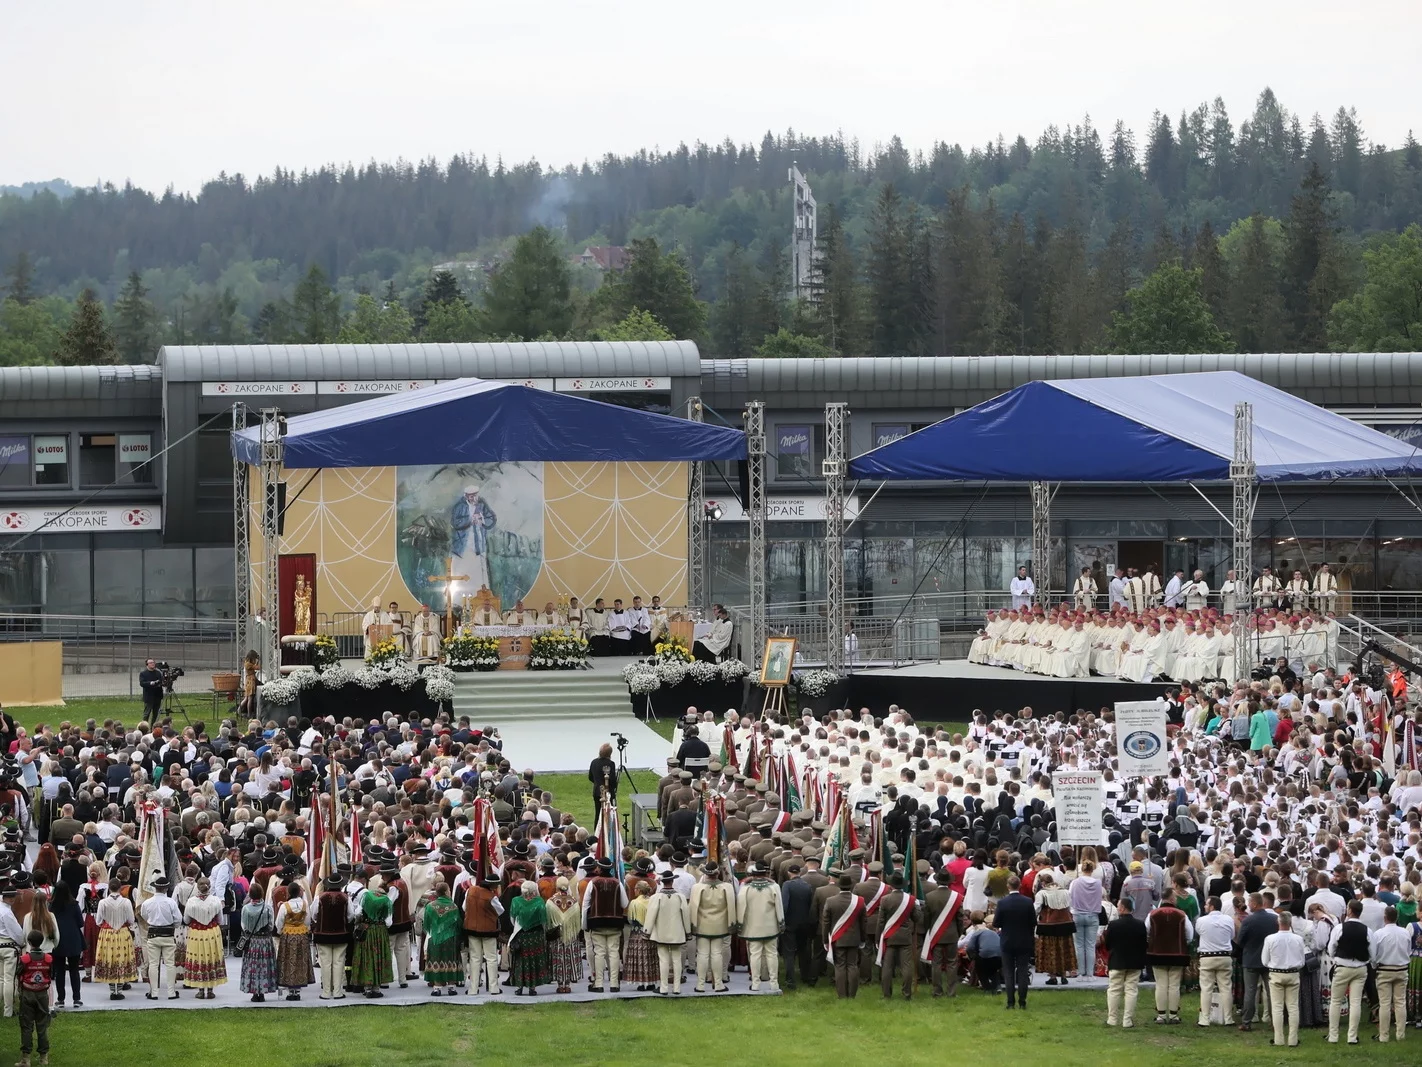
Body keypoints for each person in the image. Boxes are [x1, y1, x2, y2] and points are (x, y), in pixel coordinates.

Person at [1144, 889, 1193, 1025]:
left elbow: (1146, 931)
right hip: (1177, 953)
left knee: (1160, 984)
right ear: (1171, 899)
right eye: (1175, 897)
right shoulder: (1181, 915)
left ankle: (1160, 1015)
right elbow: (1189, 934)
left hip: (1156, 953)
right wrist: (1183, 943)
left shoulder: (1152, 914)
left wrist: (1152, 942)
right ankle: (1173, 1015)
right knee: (1174, 985)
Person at [1327, 897, 1371, 1044]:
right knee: (1356, 1002)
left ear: (1350, 911)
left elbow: (1331, 948)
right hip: (1360, 968)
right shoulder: (1367, 930)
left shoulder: (1339, 928)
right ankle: (1352, 1036)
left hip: (1342, 966)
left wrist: (1335, 957)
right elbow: (1373, 952)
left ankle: (1333, 1036)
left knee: (1335, 1001)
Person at [581, 857, 628, 993]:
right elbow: (625, 903)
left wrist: (584, 924)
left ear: (599, 869)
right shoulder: (617, 883)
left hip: (597, 922)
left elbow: (585, 905)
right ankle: (614, 984)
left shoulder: (593, 883)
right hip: (615, 922)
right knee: (613, 952)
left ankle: (598, 984)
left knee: (599, 952)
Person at [1262, 909, 1306, 1048]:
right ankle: (1293, 1039)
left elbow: (1264, 961)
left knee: (1277, 1007)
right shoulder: (1298, 939)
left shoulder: (1270, 939)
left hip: (1276, 974)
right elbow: (1302, 961)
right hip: (1293, 973)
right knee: (1293, 1007)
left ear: (1278, 922)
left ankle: (1278, 1039)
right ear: (1290, 922)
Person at [737, 862, 784, 993]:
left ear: (753, 874)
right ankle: (774, 983)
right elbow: (779, 907)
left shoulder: (745, 888)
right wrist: (781, 923)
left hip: (752, 927)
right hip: (771, 927)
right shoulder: (774, 887)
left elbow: (741, 906)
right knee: (772, 954)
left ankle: (755, 983)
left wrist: (740, 924)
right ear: (765, 873)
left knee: (755, 955)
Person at [993, 874, 1036, 1009]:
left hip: (1007, 940)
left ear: (1008, 886)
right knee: (1023, 971)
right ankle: (1022, 1001)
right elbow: (1033, 922)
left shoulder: (1002, 903)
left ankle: (1010, 1002)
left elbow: (996, 922)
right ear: (1020, 885)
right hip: (1024, 940)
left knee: (1008, 972)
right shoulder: (1028, 902)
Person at [1104, 896, 1148, 1028]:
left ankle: (1112, 1019)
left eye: (1118, 906)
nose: (1117, 908)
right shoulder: (1140, 924)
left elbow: (1107, 943)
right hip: (1135, 962)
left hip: (1117, 961)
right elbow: (1144, 944)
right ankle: (1127, 1020)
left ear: (1122, 908)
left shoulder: (1113, 925)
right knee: (1131, 991)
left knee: (1114, 990)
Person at [644, 868, 690, 995]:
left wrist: (646, 932)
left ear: (663, 882)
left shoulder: (656, 897)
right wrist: (688, 932)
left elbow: (650, 916)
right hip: (677, 933)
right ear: (672, 881)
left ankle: (663, 988)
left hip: (661, 933)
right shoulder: (680, 897)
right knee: (677, 959)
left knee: (663, 960)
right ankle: (677, 988)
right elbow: (686, 916)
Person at [819, 872, 865, 999]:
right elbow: (863, 922)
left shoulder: (830, 901)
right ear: (851, 886)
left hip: (837, 938)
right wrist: (863, 938)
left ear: (839, 886)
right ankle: (852, 994)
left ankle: (842, 994)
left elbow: (825, 923)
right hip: (854, 938)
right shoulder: (860, 901)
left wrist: (825, 940)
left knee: (839, 966)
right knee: (852, 965)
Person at [1371, 904, 1411, 1044]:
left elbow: (1374, 955)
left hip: (1384, 970)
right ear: (1397, 917)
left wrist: (1375, 966)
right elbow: (1408, 951)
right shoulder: (1405, 932)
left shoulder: (1379, 934)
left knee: (1385, 1004)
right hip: (1401, 968)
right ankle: (1400, 1034)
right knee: (1400, 1002)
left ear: (1385, 918)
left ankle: (1384, 1035)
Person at [921, 874, 966, 998]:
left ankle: (937, 991)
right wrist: (959, 932)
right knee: (952, 963)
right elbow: (960, 918)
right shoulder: (957, 897)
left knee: (936, 963)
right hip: (952, 934)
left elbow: (926, 917)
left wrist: (929, 931)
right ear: (949, 882)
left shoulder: (930, 896)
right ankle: (951, 992)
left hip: (936, 934)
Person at [182, 877, 227, 999]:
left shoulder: (191, 902)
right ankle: (210, 990)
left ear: (197, 887)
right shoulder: (216, 901)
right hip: (212, 932)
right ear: (209, 887)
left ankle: (201, 990)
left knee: (198, 958)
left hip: (196, 933)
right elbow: (220, 920)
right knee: (211, 957)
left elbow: (186, 920)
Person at [139, 874, 182, 1001]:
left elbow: (144, 916)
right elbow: (178, 919)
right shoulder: (171, 902)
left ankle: (154, 992)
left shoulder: (147, 903)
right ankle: (171, 992)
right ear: (166, 888)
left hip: (153, 933)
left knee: (153, 964)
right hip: (168, 934)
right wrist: (172, 925)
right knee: (170, 964)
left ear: (155, 888)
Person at [1194, 895, 1235, 1026]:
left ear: (1211, 906)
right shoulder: (1228, 919)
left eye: (1206, 904)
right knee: (1226, 988)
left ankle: (1205, 1019)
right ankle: (1228, 1018)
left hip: (1207, 957)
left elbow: (1199, 933)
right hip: (1225, 956)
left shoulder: (1201, 921)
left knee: (1206, 988)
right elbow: (1232, 935)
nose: (1205, 906)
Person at [93, 877, 136, 1001]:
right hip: (122, 933)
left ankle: (113, 991)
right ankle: (119, 990)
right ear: (120, 888)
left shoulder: (103, 902)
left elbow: (98, 921)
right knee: (122, 958)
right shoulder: (126, 902)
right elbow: (131, 920)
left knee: (110, 959)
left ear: (109, 888)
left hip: (107, 934)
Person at [311, 873, 352, 1001]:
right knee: (339, 963)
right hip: (341, 934)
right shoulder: (346, 898)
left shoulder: (319, 898)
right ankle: (338, 992)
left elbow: (314, 914)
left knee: (325, 963)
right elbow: (350, 916)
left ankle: (326, 992)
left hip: (323, 934)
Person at [450, 484, 496, 595]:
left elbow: (492, 519)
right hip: (462, 546)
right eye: (471, 496)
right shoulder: (459, 506)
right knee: (462, 573)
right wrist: (470, 520)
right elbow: (455, 523)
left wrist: (482, 520)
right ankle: (459, 601)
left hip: (478, 546)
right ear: (466, 496)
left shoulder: (482, 504)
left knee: (479, 575)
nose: (474, 499)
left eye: (475, 496)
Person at [351, 879, 394, 998]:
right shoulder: (387, 901)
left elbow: (357, 913)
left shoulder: (366, 896)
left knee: (367, 957)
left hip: (366, 931)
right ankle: (376, 989)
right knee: (378, 957)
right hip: (380, 932)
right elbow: (389, 922)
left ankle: (367, 988)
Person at [274, 880, 314, 1000]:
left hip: (288, 935)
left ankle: (291, 989)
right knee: (300, 960)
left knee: (287, 961)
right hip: (301, 935)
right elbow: (308, 921)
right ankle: (298, 988)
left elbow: (279, 922)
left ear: (289, 892)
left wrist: (280, 931)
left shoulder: (285, 906)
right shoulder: (305, 905)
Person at [508, 880, 550, 996]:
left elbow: (512, 919)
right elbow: (543, 920)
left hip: (521, 934)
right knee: (534, 960)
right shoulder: (539, 902)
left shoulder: (516, 901)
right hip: (536, 936)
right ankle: (532, 988)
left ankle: (519, 987)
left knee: (520, 961)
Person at [15, 931, 50, 1067]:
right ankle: (43, 1058)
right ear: (42, 942)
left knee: (26, 1026)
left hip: (28, 993)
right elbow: (50, 973)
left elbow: (18, 972)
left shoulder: (25, 959)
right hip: (42, 994)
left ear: (29, 943)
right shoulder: (48, 958)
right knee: (42, 1025)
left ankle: (26, 1059)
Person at [239, 882, 277, 1003]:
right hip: (265, 941)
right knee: (264, 965)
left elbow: (244, 926)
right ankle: (263, 991)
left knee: (253, 966)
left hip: (252, 941)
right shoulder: (267, 908)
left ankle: (255, 993)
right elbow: (271, 926)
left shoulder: (245, 909)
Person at [544, 878, 582, 995]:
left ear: (557, 886)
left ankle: (560, 985)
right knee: (569, 958)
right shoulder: (574, 902)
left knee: (559, 958)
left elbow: (548, 921)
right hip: (570, 935)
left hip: (557, 936)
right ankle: (568, 985)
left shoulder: (550, 902)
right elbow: (577, 921)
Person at [48, 883, 82, 1009]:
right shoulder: (74, 905)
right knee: (74, 970)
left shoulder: (52, 906)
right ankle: (76, 998)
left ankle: (61, 999)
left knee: (59, 970)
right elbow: (80, 922)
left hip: (58, 939)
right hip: (73, 938)